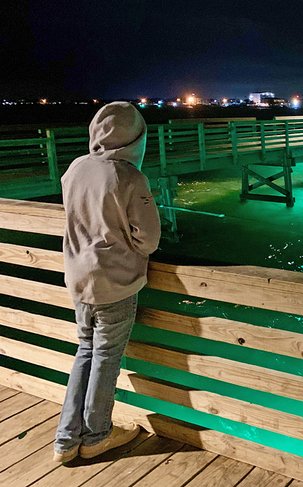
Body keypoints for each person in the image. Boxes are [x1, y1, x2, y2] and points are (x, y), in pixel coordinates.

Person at [53, 102, 161, 462]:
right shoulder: (129, 176)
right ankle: (97, 434)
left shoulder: (75, 168)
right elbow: (148, 239)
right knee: (105, 357)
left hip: (78, 278)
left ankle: (67, 439)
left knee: (85, 350)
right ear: (136, 139)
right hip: (114, 282)